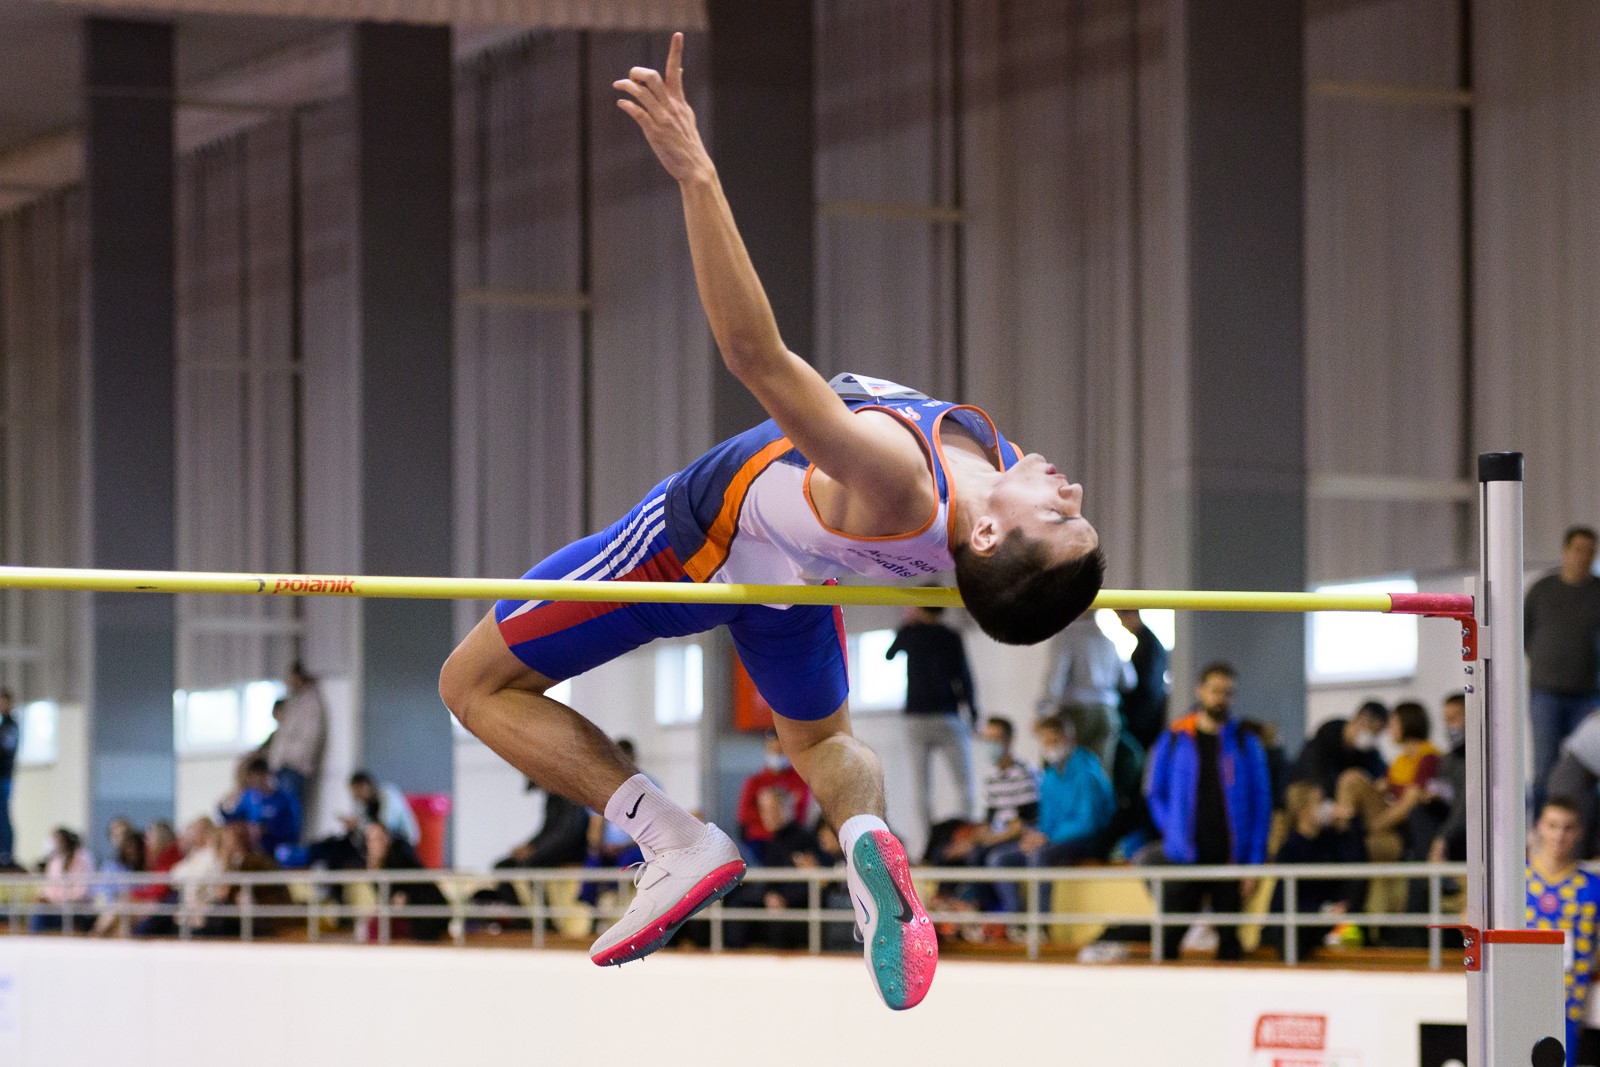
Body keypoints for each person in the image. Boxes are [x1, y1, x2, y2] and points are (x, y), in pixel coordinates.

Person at [437, 33, 1103, 1012]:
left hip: (693, 545)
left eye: (1058, 516)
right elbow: (1024, 582)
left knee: (472, 681)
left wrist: (696, 173)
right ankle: (867, 839)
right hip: (792, 580)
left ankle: (671, 838)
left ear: (994, 539)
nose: (1072, 493)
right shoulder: (985, 482)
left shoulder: (899, 483)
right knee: (824, 742)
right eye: (1077, 513)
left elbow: (756, 356)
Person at [1145, 662, 1271, 962]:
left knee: (1230, 944)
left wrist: (1253, 864)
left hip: (1229, 858)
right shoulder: (1174, 738)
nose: (1221, 698)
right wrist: (1172, 829)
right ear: (1200, 691)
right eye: (1215, 691)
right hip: (1185, 857)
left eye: (1228, 693)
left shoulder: (1246, 743)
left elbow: (1261, 805)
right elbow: (1154, 792)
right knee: (1167, 941)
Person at [986, 715, 1114, 917]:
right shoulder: (1050, 777)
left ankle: (1040, 925)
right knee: (999, 858)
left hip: (1088, 841)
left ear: (1069, 739)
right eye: (1045, 742)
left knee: (1040, 856)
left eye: (1054, 740)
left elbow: (1088, 823)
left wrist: (1048, 837)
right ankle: (1018, 921)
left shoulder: (1086, 773)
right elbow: (1046, 820)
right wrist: (1035, 836)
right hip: (1054, 839)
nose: (1050, 747)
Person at [887, 605, 979, 833]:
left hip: (917, 716)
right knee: (963, 782)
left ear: (919, 608)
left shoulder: (911, 633)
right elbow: (964, 676)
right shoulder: (951, 636)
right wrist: (972, 711)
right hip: (946, 713)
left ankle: (927, 839)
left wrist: (906, 626)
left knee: (921, 787)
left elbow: (890, 654)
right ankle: (963, 834)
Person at [1527, 527, 1600, 810]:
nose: (1584, 557)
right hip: (1545, 693)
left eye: (1590, 551)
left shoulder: (1597, 591)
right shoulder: (1542, 590)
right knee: (1544, 767)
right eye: (1578, 550)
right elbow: (1524, 633)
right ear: (1565, 551)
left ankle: (1583, 831)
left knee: (1586, 768)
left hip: (1588, 696)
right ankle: (1539, 831)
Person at [1526, 797, 1600, 1065]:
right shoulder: (1515, 880)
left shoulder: (1592, 886)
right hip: (1518, 998)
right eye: (1553, 826)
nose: (1559, 836)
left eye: (1568, 828)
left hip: (1568, 1006)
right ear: (1539, 827)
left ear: (1579, 832)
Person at [1260, 781, 1366, 963]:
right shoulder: (1290, 849)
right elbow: (1285, 900)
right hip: (1297, 924)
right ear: (1304, 812)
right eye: (1320, 802)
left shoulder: (1331, 839)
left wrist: (1347, 826)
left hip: (1327, 921)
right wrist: (1322, 910)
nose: (1327, 806)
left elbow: (1357, 867)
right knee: (1296, 935)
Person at [1042, 614, 1128, 770]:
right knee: (1100, 773)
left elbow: (1056, 679)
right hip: (1107, 712)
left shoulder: (1067, 636)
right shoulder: (1107, 640)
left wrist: (1043, 712)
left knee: (1070, 771)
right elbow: (1129, 680)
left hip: (1077, 713)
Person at [363, 822, 450, 943]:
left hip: (426, 915)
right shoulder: (373, 865)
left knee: (376, 924)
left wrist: (403, 898)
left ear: (387, 839)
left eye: (379, 838)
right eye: (372, 840)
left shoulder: (399, 857)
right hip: (409, 914)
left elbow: (409, 892)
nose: (376, 844)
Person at [261, 662, 327, 820]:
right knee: (283, 807)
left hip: (293, 764)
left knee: (290, 808)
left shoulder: (310, 703)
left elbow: (310, 737)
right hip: (284, 763)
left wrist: (292, 757)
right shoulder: (295, 699)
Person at [1290, 700, 1389, 797]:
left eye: (1377, 734)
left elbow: (1381, 774)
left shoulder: (1368, 752)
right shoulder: (1323, 741)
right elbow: (1314, 776)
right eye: (1373, 731)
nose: (1372, 738)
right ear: (1361, 720)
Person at [735, 731, 812, 854]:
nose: (777, 754)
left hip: (790, 841)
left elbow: (800, 814)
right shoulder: (755, 781)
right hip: (759, 841)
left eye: (780, 749)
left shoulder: (800, 781)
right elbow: (744, 815)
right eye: (773, 749)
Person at [218, 756, 302, 856]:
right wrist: (223, 807)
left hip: (278, 848)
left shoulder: (284, 799)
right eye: (251, 777)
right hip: (255, 849)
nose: (254, 780)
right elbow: (233, 819)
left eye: (257, 775)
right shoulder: (249, 798)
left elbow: (293, 830)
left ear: (266, 774)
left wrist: (266, 830)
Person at [1115, 610, 1169, 750]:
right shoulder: (1148, 642)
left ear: (1133, 616)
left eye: (1122, 619)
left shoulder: (1148, 644)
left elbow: (1146, 683)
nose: (1122, 624)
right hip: (1147, 711)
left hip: (1144, 714)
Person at [30, 827, 95, 933]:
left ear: (63, 840)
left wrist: (64, 899)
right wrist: (48, 898)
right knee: (39, 910)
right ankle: (34, 939)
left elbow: (83, 891)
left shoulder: (83, 858)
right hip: (57, 908)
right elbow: (49, 888)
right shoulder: (55, 861)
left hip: (78, 909)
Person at [0, 690, 18, 865]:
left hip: (3, 777)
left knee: (3, 815)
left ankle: (5, 853)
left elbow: (5, 750)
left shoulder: (10, 725)